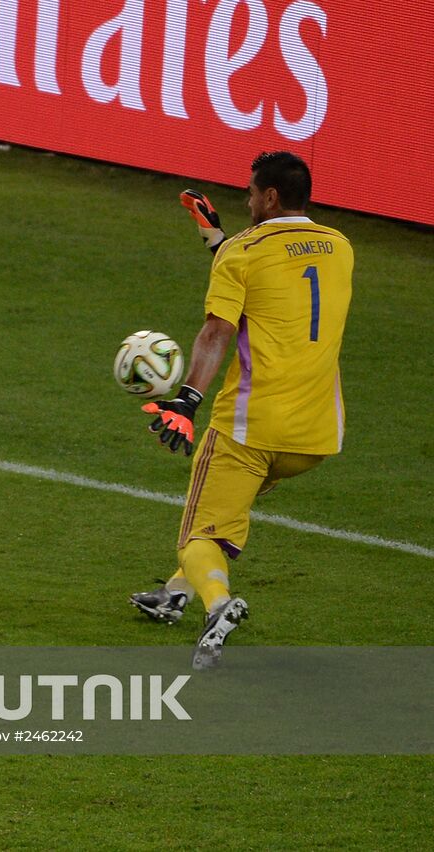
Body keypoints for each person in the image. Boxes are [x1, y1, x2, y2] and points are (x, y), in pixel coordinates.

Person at [128, 152, 353, 669]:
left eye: (251, 193)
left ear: (269, 196)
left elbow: (217, 331)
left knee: (199, 536)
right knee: (224, 511)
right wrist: (218, 240)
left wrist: (187, 400)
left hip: (249, 429)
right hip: (315, 437)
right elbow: (277, 278)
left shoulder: (243, 253)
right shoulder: (340, 247)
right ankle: (174, 594)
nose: (247, 201)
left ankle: (217, 606)